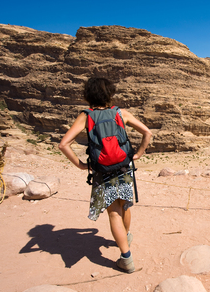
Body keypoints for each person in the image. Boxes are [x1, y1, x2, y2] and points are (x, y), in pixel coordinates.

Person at [59, 77, 152, 273]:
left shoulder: (86, 116)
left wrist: (81, 165)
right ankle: (124, 238)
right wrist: (139, 153)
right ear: (109, 94)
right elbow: (147, 133)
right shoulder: (121, 113)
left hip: (103, 171)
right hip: (124, 167)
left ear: (88, 95)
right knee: (125, 204)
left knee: (113, 213)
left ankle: (126, 258)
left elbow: (63, 144)